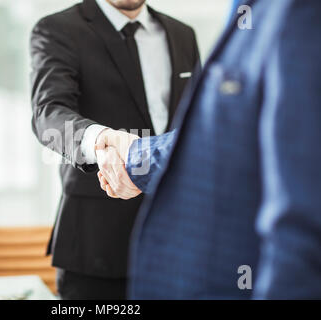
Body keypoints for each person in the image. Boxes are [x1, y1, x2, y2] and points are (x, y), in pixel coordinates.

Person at [96, 0, 321, 299]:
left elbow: (303, 232)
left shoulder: (300, 11)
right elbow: (229, 136)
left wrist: (132, 158)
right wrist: (135, 156)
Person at [30, 0, 199, 299]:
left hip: (176, 246)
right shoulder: (58, 29)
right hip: (95, 248)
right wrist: (99, 140)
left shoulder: (182, 34)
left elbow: (196, 122)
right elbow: (49, 115)